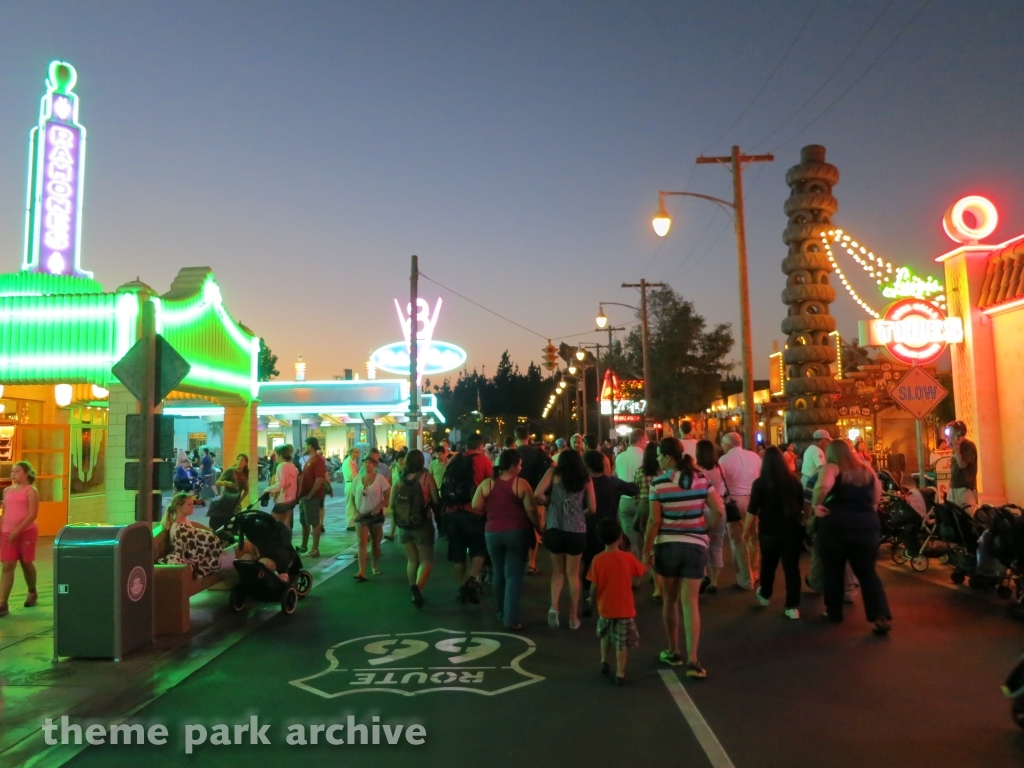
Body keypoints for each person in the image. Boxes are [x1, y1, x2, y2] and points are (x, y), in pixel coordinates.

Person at [644, 438, 724, 678]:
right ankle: (693, 660)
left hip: (667, 547)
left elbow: (654, 521)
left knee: (670, 601)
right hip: (695, 547)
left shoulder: (658, 483)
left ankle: (672, 650)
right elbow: (719, 510)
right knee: (691, 604)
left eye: (659, 455)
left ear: (669, 458)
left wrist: (646, 549)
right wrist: (704, 532)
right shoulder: (702, 479)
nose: (657, 459)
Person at [812, 439, 891, 633]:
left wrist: (816, 506)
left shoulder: (832, 467)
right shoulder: (866, 470)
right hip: (867, 526)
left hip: (836, 526)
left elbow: (822, 487)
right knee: (868, 573)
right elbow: (875, 498)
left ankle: (834, 612)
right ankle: (880, 616)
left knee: (833, 570)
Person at [473, 448, 540, 630]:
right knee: (513, 575)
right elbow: (531, 510)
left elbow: (475, 505)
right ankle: (511, 618)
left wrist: (491, 511)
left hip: (492, 533)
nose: (520, 468)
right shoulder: (521, 484)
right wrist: (539, 528)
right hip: (517, 533)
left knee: (498, 573)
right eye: (519, 465)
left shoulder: (487, 484)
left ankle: (501, 610)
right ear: (512, 466)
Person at [535, 448, 596, 629]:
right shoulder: (585, 477)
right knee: (573, 574)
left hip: (555, 528)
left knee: (558, 572)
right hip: (576, 530)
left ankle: (554, 607)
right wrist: (579, 513)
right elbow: (593, 508)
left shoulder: (553, 473)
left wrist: (550, 502)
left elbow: (537, 493)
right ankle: (573, 617)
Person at [746, 446, 805, 619]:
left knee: (768, 564)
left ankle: (765, 594)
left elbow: (752, 509)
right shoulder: (794, 480)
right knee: (792, 568)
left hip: (769, 531)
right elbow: (802, 505)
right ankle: (792, 606)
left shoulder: (760, 483)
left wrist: (746, 530)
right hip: (793, 529)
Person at [587, 517, 645, 685]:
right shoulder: (628, 558)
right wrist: (649, 562)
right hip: (624, 609)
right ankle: (620, 673)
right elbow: (641, 572)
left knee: (605, 635)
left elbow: (593, 586)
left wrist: (591, 600)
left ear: (600, 538)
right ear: (620, 537)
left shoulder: (597, 560)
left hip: (605, 608)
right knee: (621, 643)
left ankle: (604, 662)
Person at [444, 434, 494, 603]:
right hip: (474, 512)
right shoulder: (484, 461)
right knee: (478, 548)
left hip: (453, 512)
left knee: (458, 551)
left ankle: (462, 584)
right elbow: (490, 485)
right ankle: (473, 578)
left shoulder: (454, 460)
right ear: (480, 447)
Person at [388, 450, 439, 606]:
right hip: (422, 523)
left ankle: (413, 590)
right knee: (426, 560)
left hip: (403, 525)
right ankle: (417, 590)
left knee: (411, 560)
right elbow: (436, 500)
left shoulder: (399, 479)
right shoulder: (426, 478)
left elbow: (391, 505)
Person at [582, 450, 638, 584]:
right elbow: (634, 489)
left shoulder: (580, 483)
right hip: (609, 529)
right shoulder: (612, 482)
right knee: (609, 564)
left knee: (589, 564)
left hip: (586, 529)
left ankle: (589, 595)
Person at [718, 432, 762, 590]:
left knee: (738, 540)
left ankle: (745, 579)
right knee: (754, 537)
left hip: (736, 502)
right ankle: (755, 572)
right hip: (755, 500)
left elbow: (721, 483)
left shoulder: (724, 459)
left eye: (723, 443)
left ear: (728, 444)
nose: (722, 446)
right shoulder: (754, 457)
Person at [157, 492, 234, 578]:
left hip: (203, 558)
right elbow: (199, 544)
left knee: (244, 547)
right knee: (244, 548)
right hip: (204, 561)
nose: (192, 507)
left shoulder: (184, 522)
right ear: (179, 507)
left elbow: (199, 537)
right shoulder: (181, 528)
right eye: (189, 504)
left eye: (192, 504)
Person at [0, 461, 40, 616]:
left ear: (26, 473)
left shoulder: (31, 491)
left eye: (17, 471)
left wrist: (18, 529)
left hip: (26, 532)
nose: (13, 474)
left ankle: (32, 591)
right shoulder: (7, 491)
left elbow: (32, 514)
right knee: (7, 566)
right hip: (8, 533)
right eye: (12, 471)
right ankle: (3, 602)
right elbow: (5, 511)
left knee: (26, 562)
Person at [349, 456, 391, 581]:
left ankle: (374, 564)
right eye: (365, 462)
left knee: (375, 543)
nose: (367, 465)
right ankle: (361, 571)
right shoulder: (357, 480)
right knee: (362, 543)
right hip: (361, 516)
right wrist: (355, 510)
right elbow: (352, 497)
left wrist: (380, 506)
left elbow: (388, 495)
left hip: (375, 516)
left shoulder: (380, 479)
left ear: (375, 465)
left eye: (370, 463)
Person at [695, 439, 727, 594]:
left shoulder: (697, 469)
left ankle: (704, 575)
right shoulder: (720, 467)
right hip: (720, 507)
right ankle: (715, 581)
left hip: (703, 509)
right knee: (717, 545)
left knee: (702, 545)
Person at [633, 442, 662, 599]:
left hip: (643, 506)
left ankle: (654, 582)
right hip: (660, 506)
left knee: (647, 542)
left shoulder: (639, 472)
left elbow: (635, 490)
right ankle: (658, 582)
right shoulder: (662, 473)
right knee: (658, 542)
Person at [615, 428, 647, 558]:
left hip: (624, 500)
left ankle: (633, 566)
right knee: (646, 535)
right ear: (640, 440)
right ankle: (647, 569)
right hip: (642, 500)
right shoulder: (644, 457)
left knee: (631, 538)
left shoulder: (619, 457)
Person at [297, 437, 328, 558]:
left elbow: (320, 479)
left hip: (312, 497)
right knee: (304, 521)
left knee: (314, 522)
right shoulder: (310, 460)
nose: (304, 448)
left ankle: (315, 549)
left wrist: (310, 495)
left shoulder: (318, 460)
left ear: (310, 446)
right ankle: (304, 546)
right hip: (305, 497)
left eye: (305, 445)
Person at [265, 444, 299, 530]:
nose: (275, 457)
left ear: (280, 455)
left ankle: (274, 542)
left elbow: (280, 484)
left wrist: (268, 490)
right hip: (291, 499)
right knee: (286, 524)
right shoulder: (292, 465)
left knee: (271, 522)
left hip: (283, 499)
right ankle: (286, 541)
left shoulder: (281, 466)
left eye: (276, 455)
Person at [947, 420, 978, 513]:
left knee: (966, 517)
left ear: (959, 433)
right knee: (952, 517)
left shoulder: (969, 445)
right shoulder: (955, 447)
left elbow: (962, 465)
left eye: (951, 431)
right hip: (953, 488)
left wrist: (956, 447)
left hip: (965, 489)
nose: (948, 435)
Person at [342, 447, 361, 531]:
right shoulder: (347, 462)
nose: (358, 454)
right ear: (351, 453)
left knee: (354, 504)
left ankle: (352, 522)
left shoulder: (353, 462)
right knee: (350, 503)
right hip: (350, 483)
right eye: (356, 452)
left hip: (354, 483)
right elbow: (351, 474)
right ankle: (349, 524)